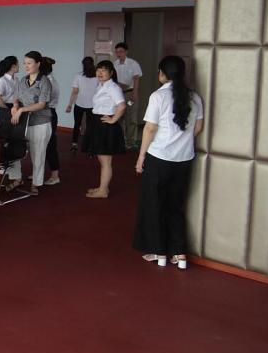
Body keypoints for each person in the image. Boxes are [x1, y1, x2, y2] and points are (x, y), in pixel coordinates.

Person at [132, 56, 204, 269]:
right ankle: (179, 253)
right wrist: (181, 141)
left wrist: (141, 156)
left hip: (159, 158)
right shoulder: (195, 97)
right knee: (175, 206)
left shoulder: (158, 96)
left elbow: (150, 128)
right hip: (184, 159)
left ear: (162, 74)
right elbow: (198, 128)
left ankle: (159, 252)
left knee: (155, 204)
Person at [81, 60, 126, 198]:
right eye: (98, 70)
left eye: (104, 70)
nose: (100, 73)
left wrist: (113, 119)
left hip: (105, 125)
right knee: (102, 160)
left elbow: (122, 105)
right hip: (98, 123)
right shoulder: (101, 85)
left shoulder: (113, 87)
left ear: (111, 73)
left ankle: (103, 191)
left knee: (106, 161)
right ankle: (103, 188)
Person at [11, 51, 52, 196]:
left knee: (38, 154)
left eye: (29, 63)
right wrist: (15, 106)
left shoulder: (44, 81)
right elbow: (16, 98)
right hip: (24, 122)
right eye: (25, 63)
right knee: (15, 149)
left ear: (38, 64)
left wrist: (22, 109)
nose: (26, 66)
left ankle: (36, 183)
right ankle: (16, 178)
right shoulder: (23, 80)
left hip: (40, 122)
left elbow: (41, 104)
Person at [0, 55, 22, 191]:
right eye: (18, 64)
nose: (20, 66)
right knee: (5, 140)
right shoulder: (2, 80)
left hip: (16, 109)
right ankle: (5, 170)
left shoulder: (17, 79)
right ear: (12, 66)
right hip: (6, 110)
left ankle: (14, 174)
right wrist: (6, 109)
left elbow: (18, 96)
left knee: (15, 140)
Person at [65, 57, 98, 153]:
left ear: (83, 65)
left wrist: (69, 105)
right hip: (92, 105)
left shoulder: (78, 76)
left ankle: (74, 144)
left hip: (79, 104)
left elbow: (75, 92)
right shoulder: (97, 77)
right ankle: (90, 147)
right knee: (90, 126)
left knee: (77, 125)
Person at [113, 42, 143, 150]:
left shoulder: (133, 63)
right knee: (119, 118)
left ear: (126, 51)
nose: (118, 54)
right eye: (117, 52)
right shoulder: (115, 64)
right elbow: (113, 79)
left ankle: (131, 142)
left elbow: (136, 78)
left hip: (130, 93)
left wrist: (135, 93)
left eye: (121, 51)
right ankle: (121, 140)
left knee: (131, 118)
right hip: (118, 94)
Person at [40, 57, 60, 185]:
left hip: (48, 114)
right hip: (42, 114)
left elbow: (42, 102)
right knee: (39, 145)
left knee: (50, 145)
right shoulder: (45, 80)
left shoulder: (49, 82)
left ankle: (55, 175)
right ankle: (38, 172)